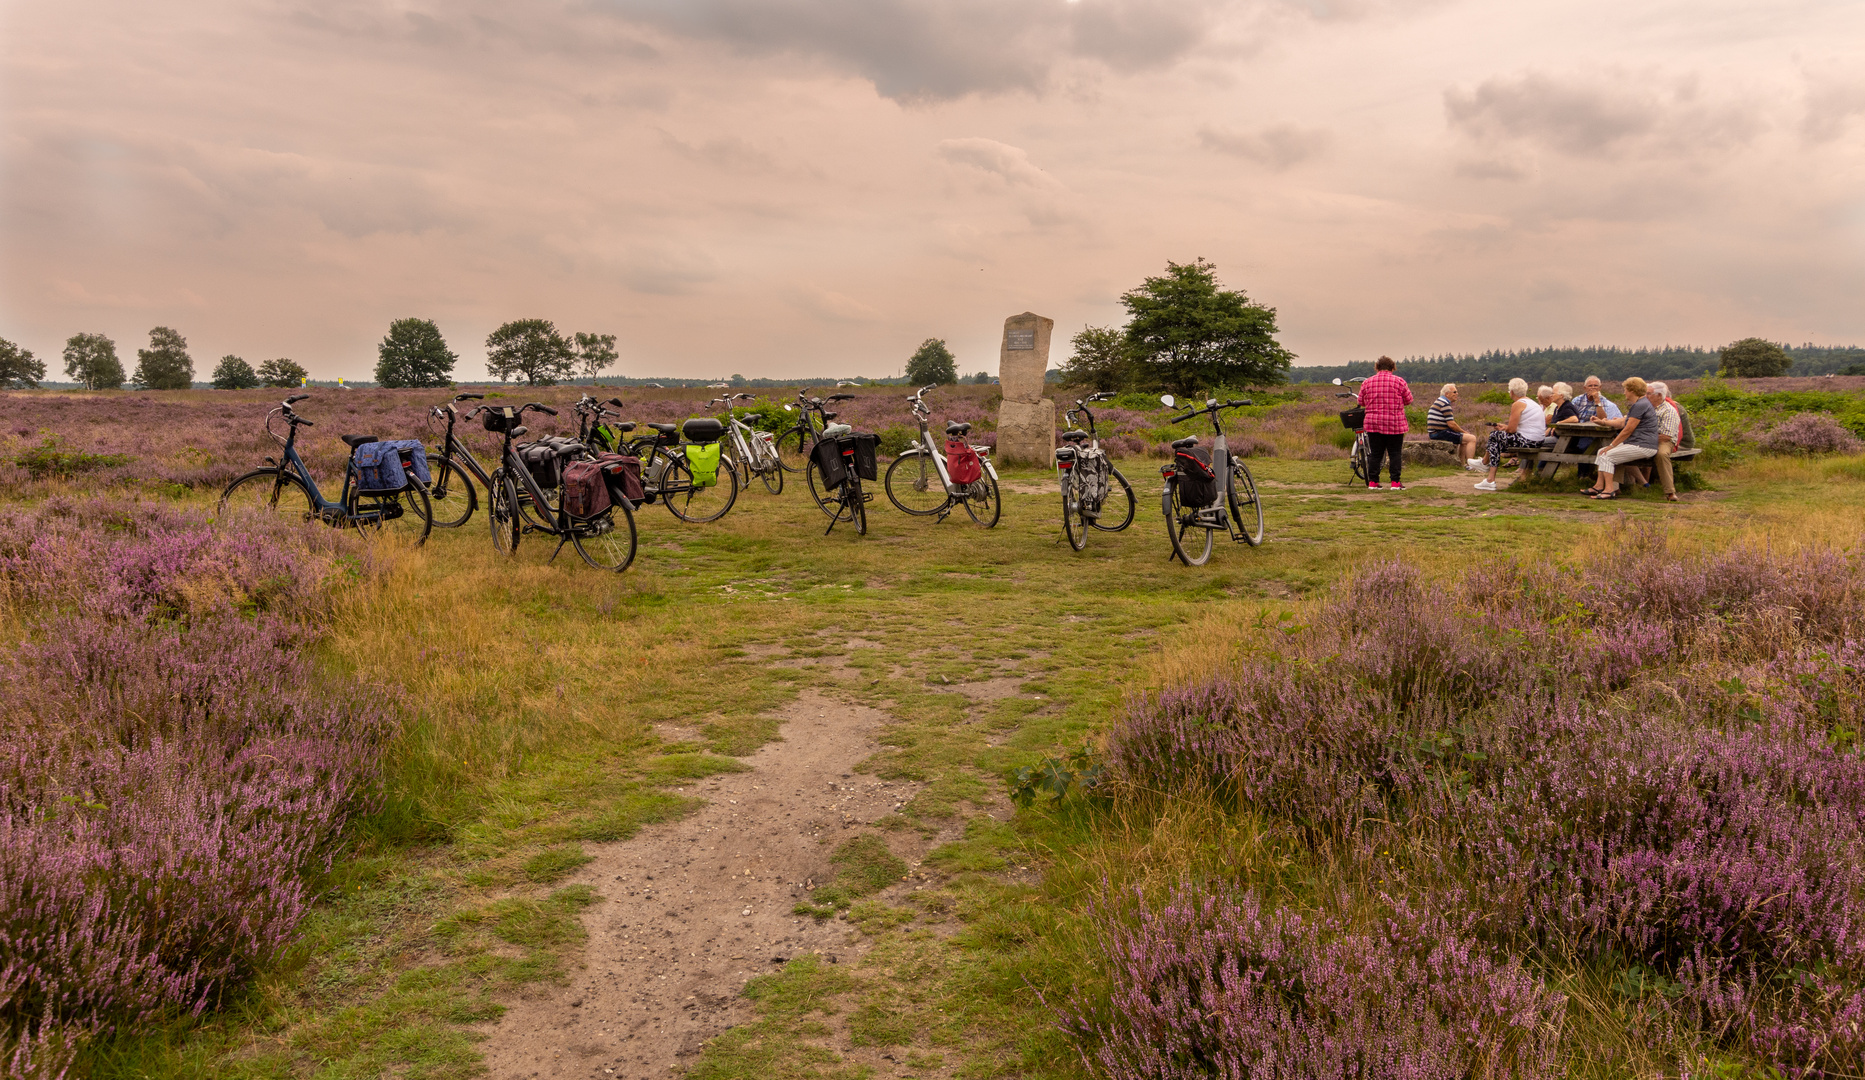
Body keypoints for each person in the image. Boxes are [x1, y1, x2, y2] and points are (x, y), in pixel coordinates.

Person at [1583, 376, 1659, 499]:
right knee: (1600, 452)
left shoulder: (1640, 405)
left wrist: (1612, 446)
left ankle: (1609, 490)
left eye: (1626, 390)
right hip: (1637, 443)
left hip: (1643, 445)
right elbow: (1623, 422)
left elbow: (1628, 430)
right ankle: (1598, 486)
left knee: (1607, 455)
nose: (1624, 393)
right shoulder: (1640, 404)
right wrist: (1603, 422)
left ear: (1632, 391)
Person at [1474, 378, 1546, 491]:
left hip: (1528, 441)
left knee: (1494, 435)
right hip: (1538, 440)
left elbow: (1512, 430)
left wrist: (1505, 429)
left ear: (1512, 392)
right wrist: (1504, 427)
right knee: (1496, 441)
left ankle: (1486, 467)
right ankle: (1488, 476)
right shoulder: (1533, 403)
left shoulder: (1518, 404)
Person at [1358, 355, 1413, 490]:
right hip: (1394, 422)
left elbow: (1360, 402)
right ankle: (1395, 482)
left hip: (1373, 423)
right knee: (1395, 453)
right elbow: (1408, 400)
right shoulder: (1399, 381)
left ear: (1377, 367)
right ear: (1393, 367)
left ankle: (1373, 482)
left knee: (1376, 453)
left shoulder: (1367, 382)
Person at [1426, 383, 1481, 470]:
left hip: (1435, 432)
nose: (1457, 394)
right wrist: (1463, 432)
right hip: (1440, 433)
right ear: (1447, 394)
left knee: (1464, 441)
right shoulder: (1445, 404)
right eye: (1454, 392)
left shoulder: (1439, 401)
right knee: (1472, 438)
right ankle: (1471, 465)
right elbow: (1451, 424)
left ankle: (1462, 464)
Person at [1646, 381, 1683, 502]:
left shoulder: (1668, 410)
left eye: (1649, 394)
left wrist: (1645, 438)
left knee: (1661, 454)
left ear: (1659, 396)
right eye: (1646, 393)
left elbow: (1666, 436)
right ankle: (1614, 487)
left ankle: (1670, 492)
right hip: (1645, 439)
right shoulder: (1645, 407)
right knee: (1618, 449)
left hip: (1663, 441)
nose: (1646, 396)